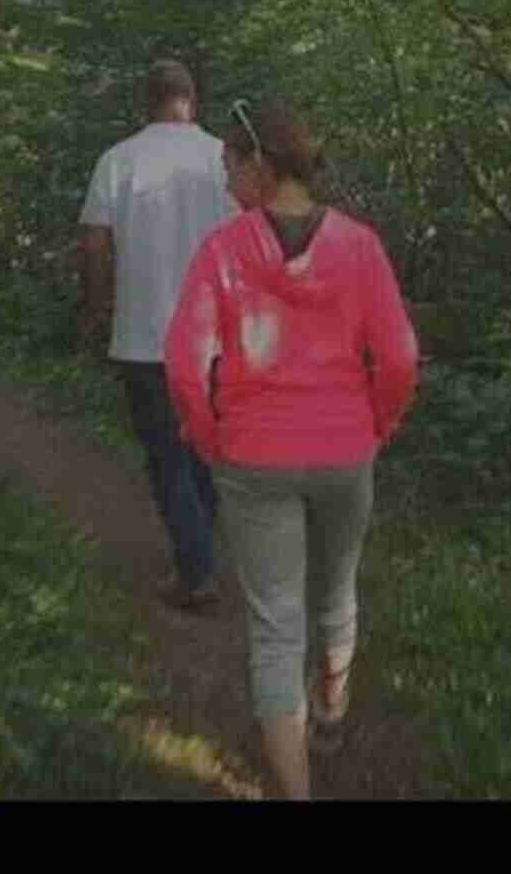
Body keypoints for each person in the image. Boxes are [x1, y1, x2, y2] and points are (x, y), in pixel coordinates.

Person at [163, 96, 418, 798]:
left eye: (229, 166)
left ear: (260, 166)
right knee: (335, 592)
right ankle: (330, 711)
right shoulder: (359, 246)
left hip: (253, 457)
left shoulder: (222, 250)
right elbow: (398, 356)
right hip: (345, 449)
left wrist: (207, 436)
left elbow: (184, 366)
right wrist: (380, 423)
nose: (223, 183)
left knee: (276, 626)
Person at [78, 59, 238, 611]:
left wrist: (95, 308)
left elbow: (95, 244)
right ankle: (197, 553)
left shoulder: (118, 160)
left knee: (166, 453)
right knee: (202, 450)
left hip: (144, 336)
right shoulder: (226, 160)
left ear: (146, 101)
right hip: (216, 337)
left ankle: (195, 573)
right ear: (192, 99)